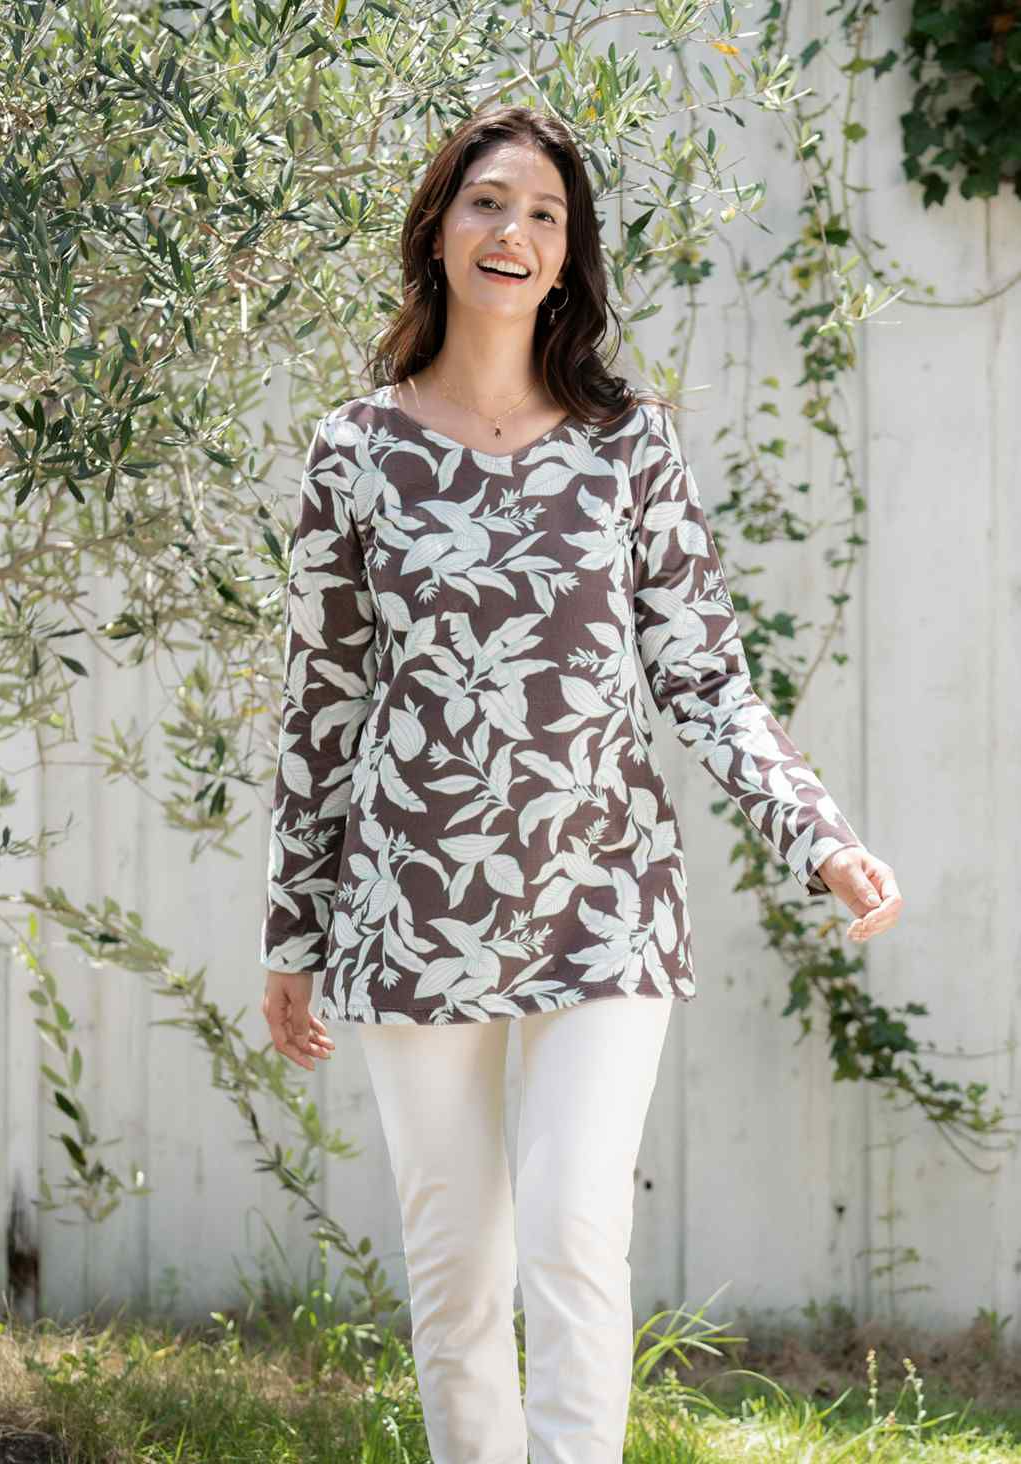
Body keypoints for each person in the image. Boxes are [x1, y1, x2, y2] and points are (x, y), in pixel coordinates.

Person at [260, 106, 902, 1464]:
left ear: (569, 258)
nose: (515, 231)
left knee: (572, 1235)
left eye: (545, 214)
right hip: (413, 904)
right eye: (488, 202)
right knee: (455, 1270)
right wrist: (292, 933)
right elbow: (322, 705)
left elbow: (704, 675)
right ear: (439, 231)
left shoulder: (628, 446)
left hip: (603, 901)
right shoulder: (356, 450)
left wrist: (818, 835)